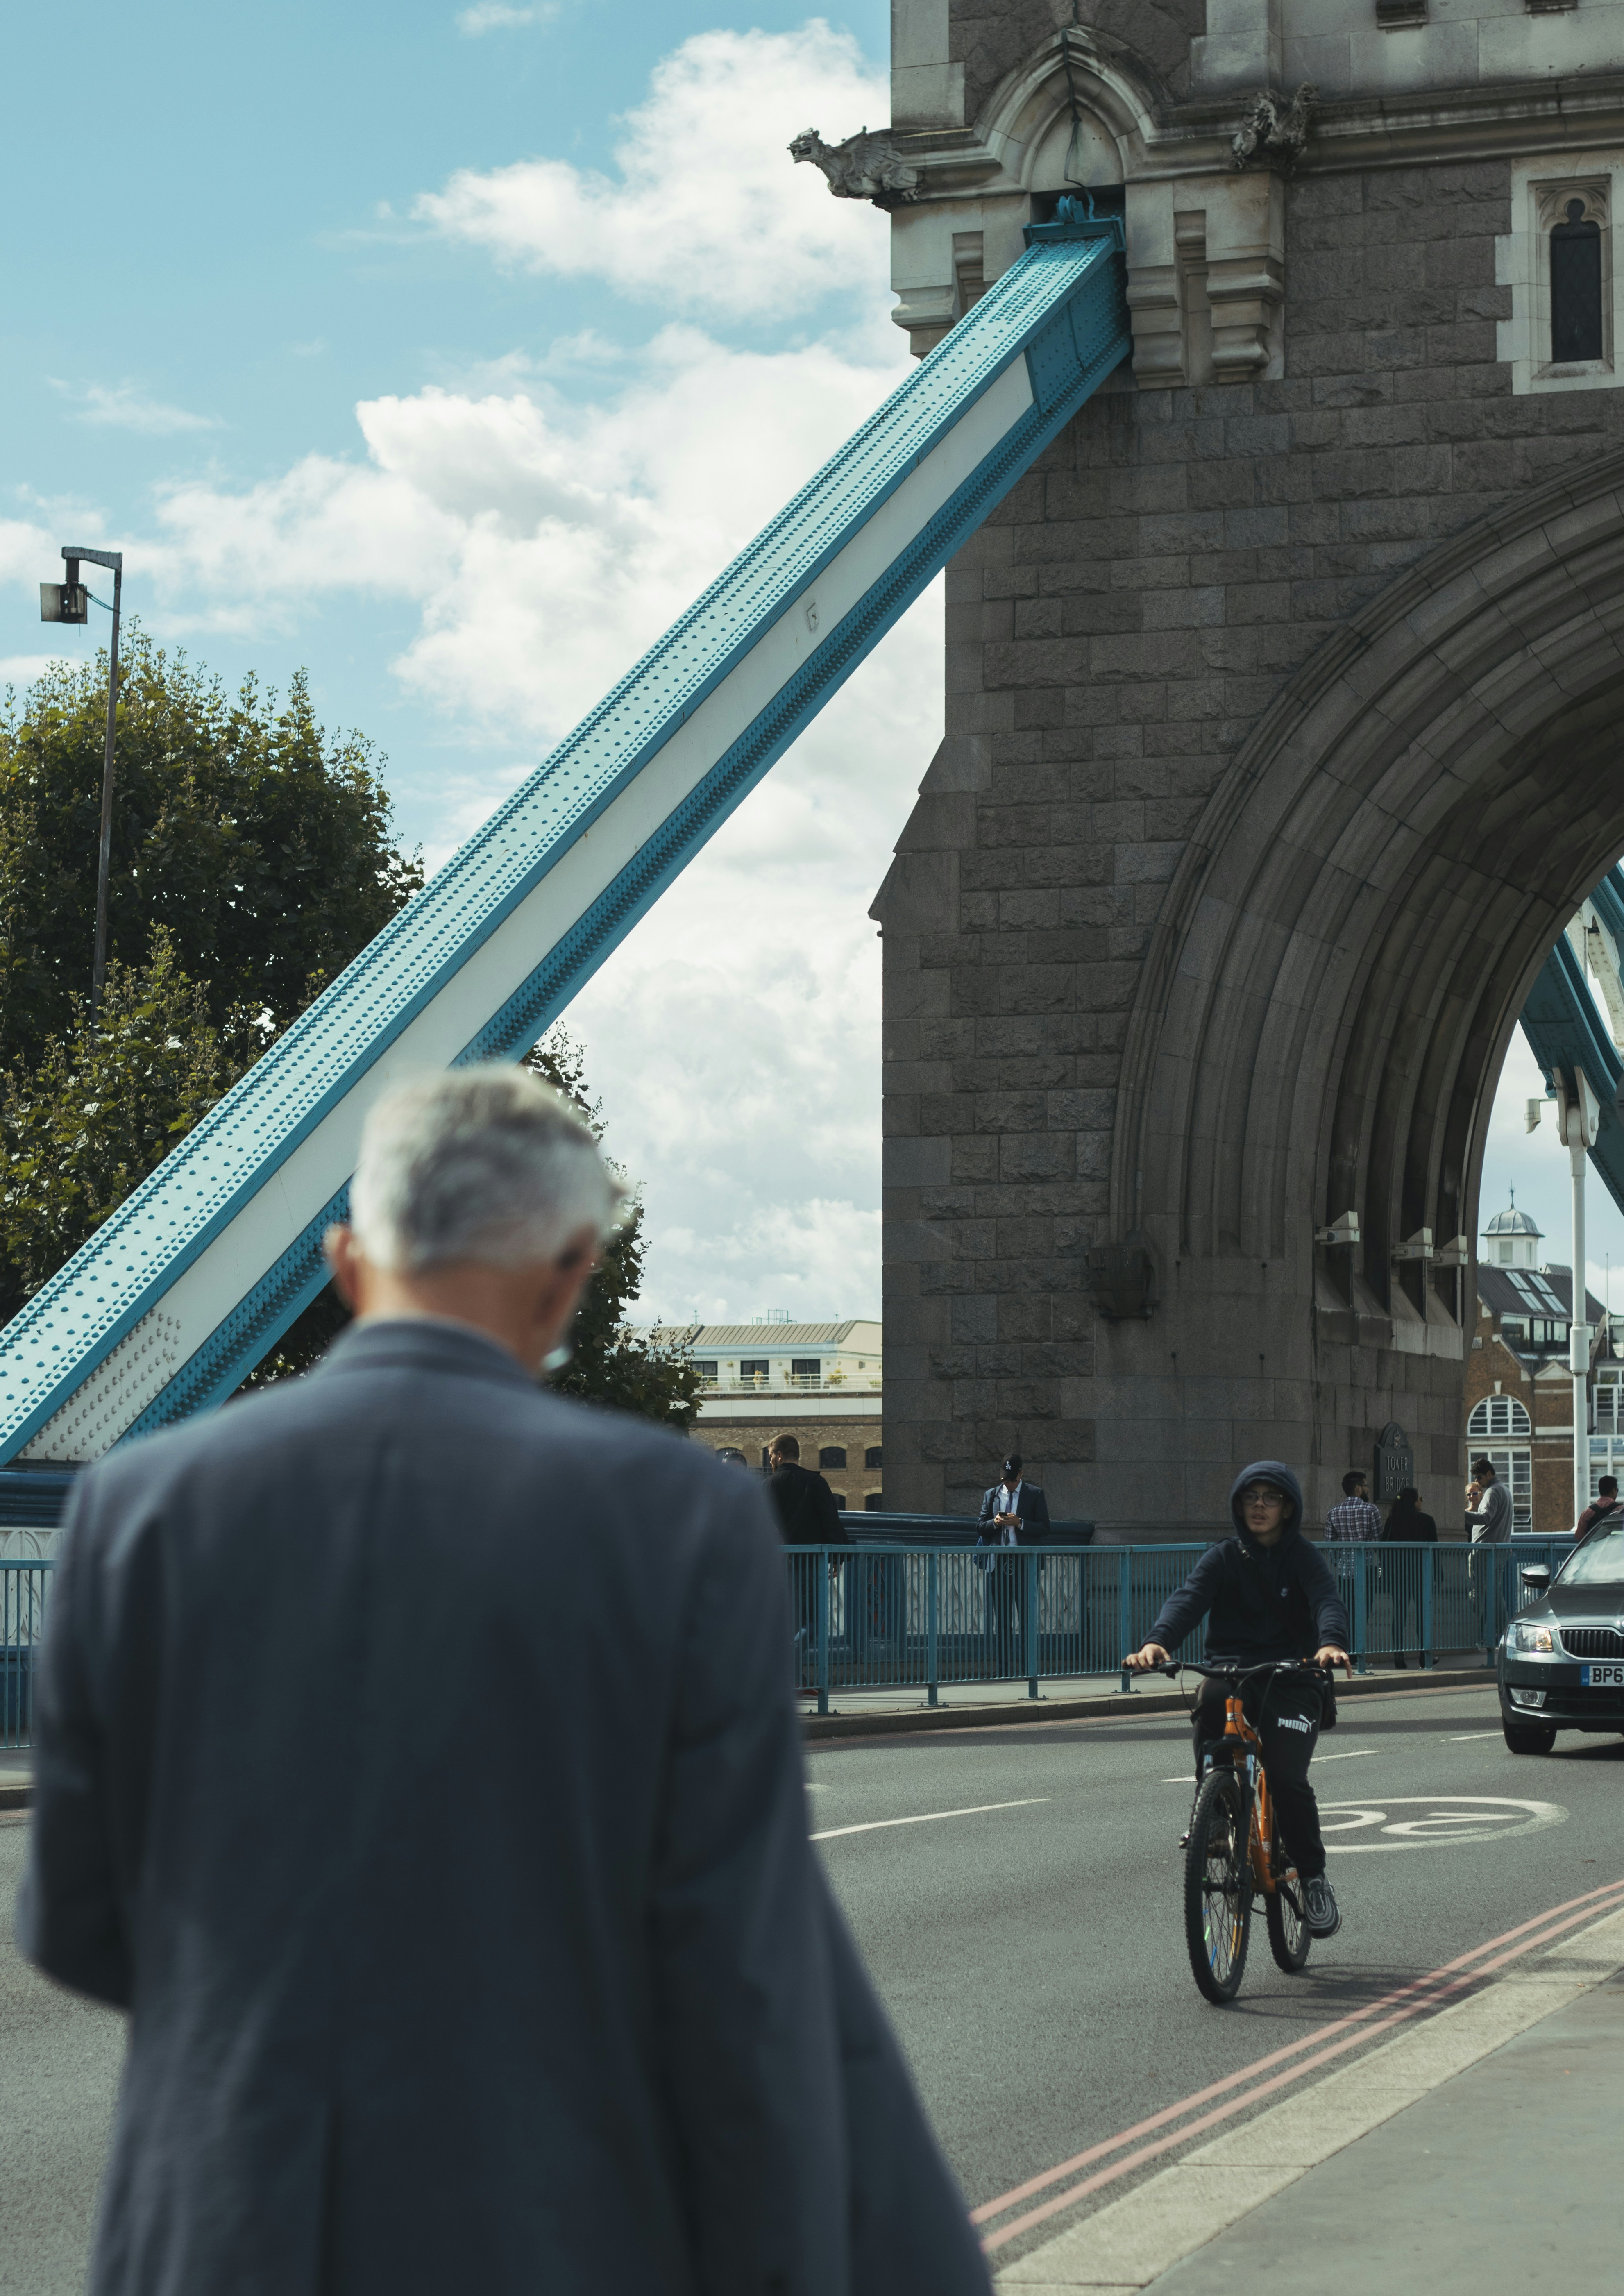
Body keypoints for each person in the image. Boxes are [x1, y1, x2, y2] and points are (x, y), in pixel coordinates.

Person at [18, 1066, 990, 2296]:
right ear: (568, 1269)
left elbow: (77, 1920)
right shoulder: (681, 1521)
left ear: (342, 1260)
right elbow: (740, 1985)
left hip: (218, 2230)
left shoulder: (133, 1509)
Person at [1124, 1462, 1352, 1939]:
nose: (1260, 1506)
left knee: (1288, 1779)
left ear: (1287, 1507)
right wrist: (1157, 1642)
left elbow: (1325, 1600)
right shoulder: (1223, 1557)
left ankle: (1312, 1878)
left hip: (1292, 1677)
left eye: (1271, 1498)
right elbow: (1187, 1601)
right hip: (1232, 1671)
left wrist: (1329, 1642)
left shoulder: (1303, 1557)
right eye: (1251, 1497)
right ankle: (1212, 1811)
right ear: (1238, 1504)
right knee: (1209, 1702)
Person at [767, 1434, 850, 1690]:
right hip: (810, 1564)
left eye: (771, 1455)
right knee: (813, 1621)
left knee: (786, 1623)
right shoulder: (815, 1482)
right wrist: (838, 1557)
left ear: (780, 1455)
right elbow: (831, 1521)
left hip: (777, 1566)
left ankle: (789, 1678)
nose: (770, 1460)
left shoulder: (768, 1485)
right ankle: (790, 1672)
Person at [975, 1453, 1050, 1677]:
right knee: (1003, 1621)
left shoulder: (1035, 1494)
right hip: (999, 1564)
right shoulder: (992, 1495)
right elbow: (980, 1526)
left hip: (1025, 1564)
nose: (1007, 1483)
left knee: (1027, 1619)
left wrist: (1021, 1523)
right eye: (1004, 1479)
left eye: (1012, 1479)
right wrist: (995, 1523)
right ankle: (1004, 1670)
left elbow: (1045, 1528)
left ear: (1021, 1473)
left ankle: (1029, 1670)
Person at [1380, 1485, 1436, 1668]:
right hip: (1421, 1576)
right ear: (1414, 1502)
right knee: (1422, 1616)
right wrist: (1438, 1575)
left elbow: (1384, 1550)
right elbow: (1434, 1551)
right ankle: (1424, 1656)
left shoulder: (1392, 1521)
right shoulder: (1427, 1521)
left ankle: (1399, 1656)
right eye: (1421, 1499)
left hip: (1399, 1577)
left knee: (1399, 1616)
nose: (1422, 1502)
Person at [1466, 1453, 1513, 1656]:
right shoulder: (1505, 1491)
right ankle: (1504, 1636)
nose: (1477, 1482)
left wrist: (1458, 1514)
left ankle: (1475, 1637)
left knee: (1479, 1594)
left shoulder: (1493, 1492)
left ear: (1489, 1474)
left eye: (1479, 1478)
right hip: (1498, 1550)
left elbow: (1486, 1518)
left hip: (1485, 1551)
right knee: (1494, 1594)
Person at [1326, 1469, 1382, 1543]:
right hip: (1365, 1555)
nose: (1368, 1489)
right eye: (1366, 1486)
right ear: (1358, 1488)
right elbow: (1381, 1542)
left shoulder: (1332, 1513)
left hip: (1343, 1555)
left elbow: (1329, 1545)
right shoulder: (1371, 1510)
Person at [1575, 1475, 1623, 1546]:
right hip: (1615, 1555)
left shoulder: (1586, 1514)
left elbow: (1579, 1537)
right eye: (1617, 1490)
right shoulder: (1621, 1511)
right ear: (1613, 1491)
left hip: (1594, 1554)